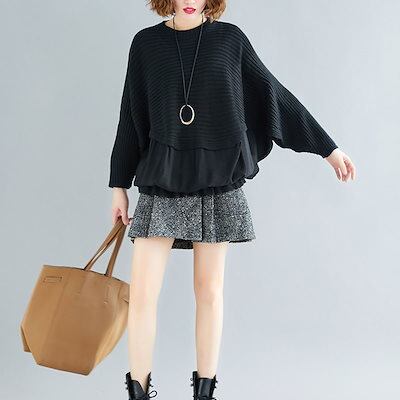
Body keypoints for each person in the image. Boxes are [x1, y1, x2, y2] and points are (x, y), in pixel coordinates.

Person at [108, 1, 356, 399]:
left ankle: (204, 393)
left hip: (216, 182)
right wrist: (118, 184)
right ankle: (138, 392)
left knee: (209, 293)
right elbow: (130, 115)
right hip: (161, 180)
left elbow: (273, 93)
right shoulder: (145, 44)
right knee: (141, 295)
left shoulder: (229, 40)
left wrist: (327, 148)